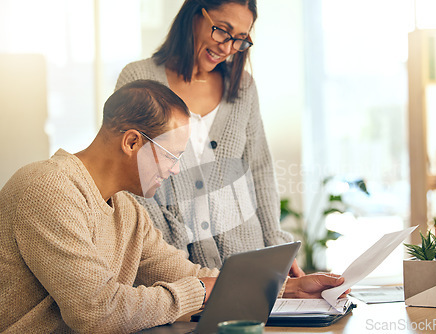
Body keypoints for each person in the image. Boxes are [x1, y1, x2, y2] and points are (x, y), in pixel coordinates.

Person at [0, 79, 347, 333]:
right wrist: (197, 291)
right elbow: (96, 311)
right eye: (171, 155)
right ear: (132, 141)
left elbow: (188, 275)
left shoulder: (128, 210)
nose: (176, 169)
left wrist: (286, 288)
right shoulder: (47, 188)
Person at [116, 0, 305, 276]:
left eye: (240, 39)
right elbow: (130, 177)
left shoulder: (243, 87)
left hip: (248, 261)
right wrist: (168, 249)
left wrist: (276, 247)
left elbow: (260, 170)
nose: (227, 48)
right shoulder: (138, 79)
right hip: (174, 267)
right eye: (222, 31)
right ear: (194, 15)